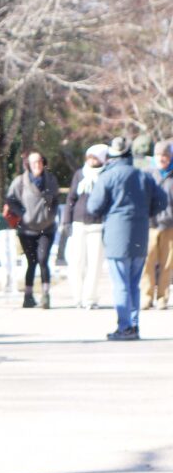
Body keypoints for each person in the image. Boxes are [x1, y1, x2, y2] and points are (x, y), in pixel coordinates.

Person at [87, 136, 168, 340]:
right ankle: (133, 325)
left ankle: (124, 327)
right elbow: (162, 201)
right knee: (134, 283)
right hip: (140, 232)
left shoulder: (108, 176)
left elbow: (93, 206)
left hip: (116, 235)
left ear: (112, 156)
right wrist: (145, 212)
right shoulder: (144, 176)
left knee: (121, 283)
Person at [5, 151, 61, 309]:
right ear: (28, 164)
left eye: (39, 161)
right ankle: (28, 296)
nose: (37, 165)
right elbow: (10, 200)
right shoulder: (20, 182)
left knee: (43, 260)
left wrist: (51, 215)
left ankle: (45, 295)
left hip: (47, 228)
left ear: (44, 163)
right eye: (33, 162)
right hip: (27, 229)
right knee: (31, 262)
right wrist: (23, 214)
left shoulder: (50, 180)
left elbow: (56, 200)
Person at [63, 144, 108, 309]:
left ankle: (90, 298)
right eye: (89, 156)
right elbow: (71, 198)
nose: (91, 160)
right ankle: (77, 297)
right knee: (76, 262)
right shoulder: (79, 174)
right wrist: (66, 221)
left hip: (97, 224)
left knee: (95, 263)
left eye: (95, 157)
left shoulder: (106, 175)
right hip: (78, 222)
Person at [143, 139, 173, 309]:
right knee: (148, 262)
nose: (162, 158)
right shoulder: (147, 174)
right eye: (160, 155)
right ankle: (146, 296)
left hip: (170, 224)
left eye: (165, 155)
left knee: (167, 264)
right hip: (150, 224)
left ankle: (163, 297)